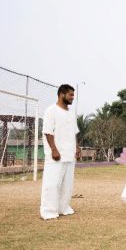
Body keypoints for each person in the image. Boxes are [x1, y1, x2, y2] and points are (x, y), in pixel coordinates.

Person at [40, 84, 80, 220]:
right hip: (56, 155)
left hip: (70, 154)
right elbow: (48, 132)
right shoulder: (51, 110)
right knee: (52, 184)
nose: (72, 97)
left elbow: (74, 133)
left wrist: (77, 148)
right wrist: (54, 150)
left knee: (67, 185)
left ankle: (63, 208)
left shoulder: (71, 113)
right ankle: (48, 211)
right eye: (70, 95)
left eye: (73, 95)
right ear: (62, 94)